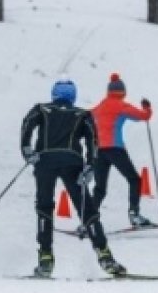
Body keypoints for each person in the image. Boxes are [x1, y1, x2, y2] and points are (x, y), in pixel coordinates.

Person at [21, 78, 125, 278]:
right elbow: (93, 139)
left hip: (45, 161)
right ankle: (104, 255)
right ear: (73, 96)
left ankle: (45, 258)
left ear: (54, 94)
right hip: (72, 162)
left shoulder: (41, 109)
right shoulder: (82, 114)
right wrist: (90, 165)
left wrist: (27, 150)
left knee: (44, 207)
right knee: (87, 209)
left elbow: (27, 124)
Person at [89, 73, 154, 227]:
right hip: (115, 149)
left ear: (108, 91)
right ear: (123, 92)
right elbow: (143, 116)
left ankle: (88, 220)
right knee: (134, 180)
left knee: (99, 188)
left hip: (99, 150)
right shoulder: (121, 105)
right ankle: (134, 215)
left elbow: (87, 117)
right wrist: (147, 108)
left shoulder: (100, 106)